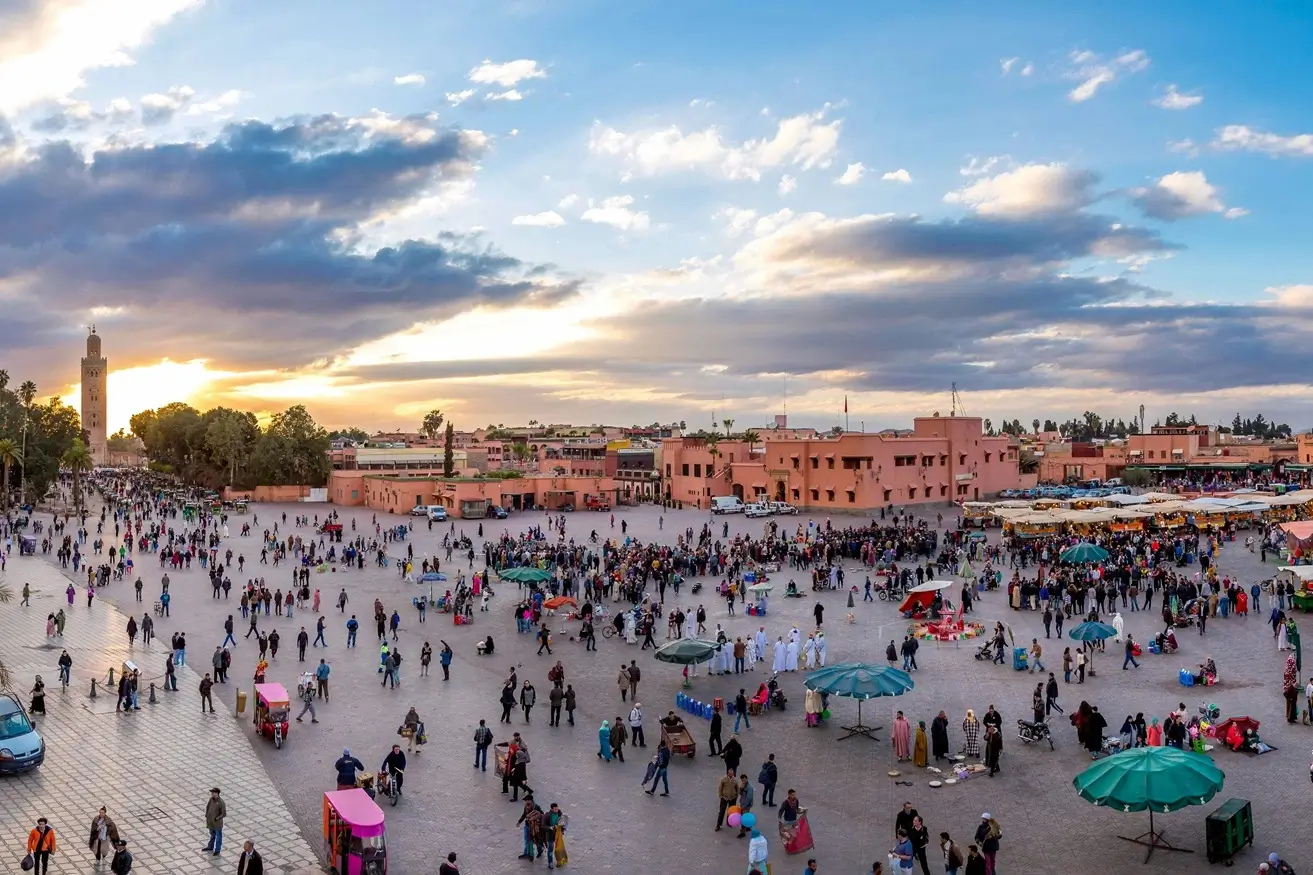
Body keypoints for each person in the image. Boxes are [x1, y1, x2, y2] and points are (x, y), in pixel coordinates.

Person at [204, 788, 226, 855]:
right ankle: (210, 846)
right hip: (211, 822)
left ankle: (217, 850)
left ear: (217, 793)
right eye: (212, 792)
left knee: (218, 837)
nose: (212, 794)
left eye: (213, 793)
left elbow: (224, 814)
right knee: (212, 835)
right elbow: (208, 807)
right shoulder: (211, 800)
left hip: (217, 824)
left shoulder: (221, 802)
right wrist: (207, 814)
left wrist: (217, 818)